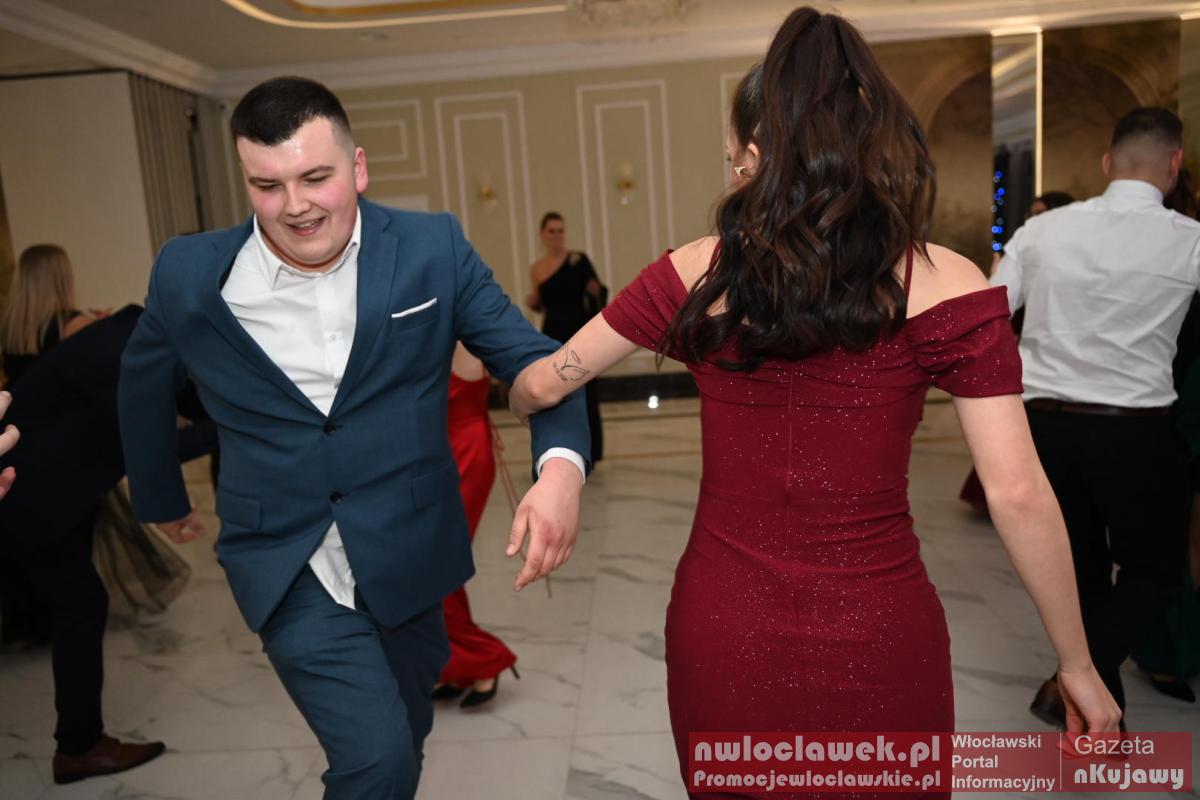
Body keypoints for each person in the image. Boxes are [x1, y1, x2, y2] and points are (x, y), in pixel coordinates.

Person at [510, 9, 1119, 796]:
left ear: (754, 159)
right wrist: (1077, 663)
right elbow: (1018, 492)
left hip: (724, 624)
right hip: (881, 627)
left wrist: (530, 405)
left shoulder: (694, 271)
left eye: (731, 159)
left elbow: (546, 381)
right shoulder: (947, 280)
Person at [118, 77, 589, 800]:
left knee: (407, 732)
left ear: (358, 167)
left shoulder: (432, 248)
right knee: (377, 761)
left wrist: (560, 470)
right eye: (267, 185)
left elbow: (535, 360)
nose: (295, 205)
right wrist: (159, 495)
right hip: (284, 554)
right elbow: (142, 379)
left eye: (316, 177)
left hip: (410, 549)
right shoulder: (190, 272)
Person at [990, 107, 1200, 726]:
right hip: (1134, 430)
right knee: (1156, 569)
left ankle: (1097, 717)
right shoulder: (1189, 239)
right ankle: (1074, 681)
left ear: (1107, 163)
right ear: (1175, 163)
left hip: (1044, 427)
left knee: (1079, 571)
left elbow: (989, 315)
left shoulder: (1042, 230)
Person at [0, 306, 214, 784]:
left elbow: (188, 401)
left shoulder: (138, 336)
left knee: (79, 604)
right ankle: (78, 748)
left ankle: (79, 743)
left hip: (51, 493)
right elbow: (152, 446)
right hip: (25, 496)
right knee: (82, 605)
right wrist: (238, 422)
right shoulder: (123, 354)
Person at [963, 190, 1078, 513]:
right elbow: (998, 305)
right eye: (1031, 214)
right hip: (1032, 373)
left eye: (1040, 214)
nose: (1032, 220)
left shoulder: (1062, 258)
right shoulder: (1025, 251)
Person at [433, 343, 518, 707]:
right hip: (437, 456)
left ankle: (486, 658)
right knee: (440, 569)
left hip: (463, 453)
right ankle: (457, 665)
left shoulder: (459, 330)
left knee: (437, 570)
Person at [528, 212, 605, 463]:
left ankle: (592, 449)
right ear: (542, 234)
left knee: (587, 389)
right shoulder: (537, 269)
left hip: (579, 331)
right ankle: (559, 447)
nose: (556, 235)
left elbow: (597, 293)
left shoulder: (578, 260)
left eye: (560, 230)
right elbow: (542, 304)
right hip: (552, 333)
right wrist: (534, 302)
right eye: (551, 231)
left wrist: (596, 292)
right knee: (555, 390)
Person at [0, 244, 96, 385]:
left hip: (18, 398)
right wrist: (102, 327)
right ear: (63, 278)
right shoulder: (74, 324)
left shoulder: (10, 327)